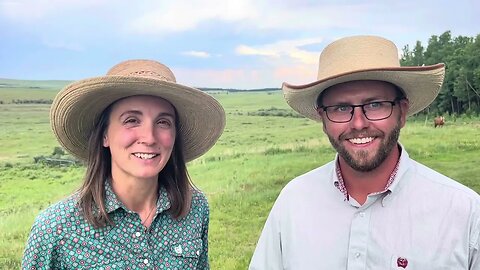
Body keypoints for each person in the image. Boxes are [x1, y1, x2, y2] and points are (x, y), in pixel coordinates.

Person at [249, 35, 480, 269]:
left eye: (375, 105)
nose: (358, 123)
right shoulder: (293, 202)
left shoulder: (464, 213)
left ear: (402, 112)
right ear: (323, 119)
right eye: (341, 108)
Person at [22, 59, 225, 269]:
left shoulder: (195, 208)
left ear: (174, 136)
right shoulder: (55, 229)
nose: (149, 137)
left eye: (163, 122)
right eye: (131, 120)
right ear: (104, 136)